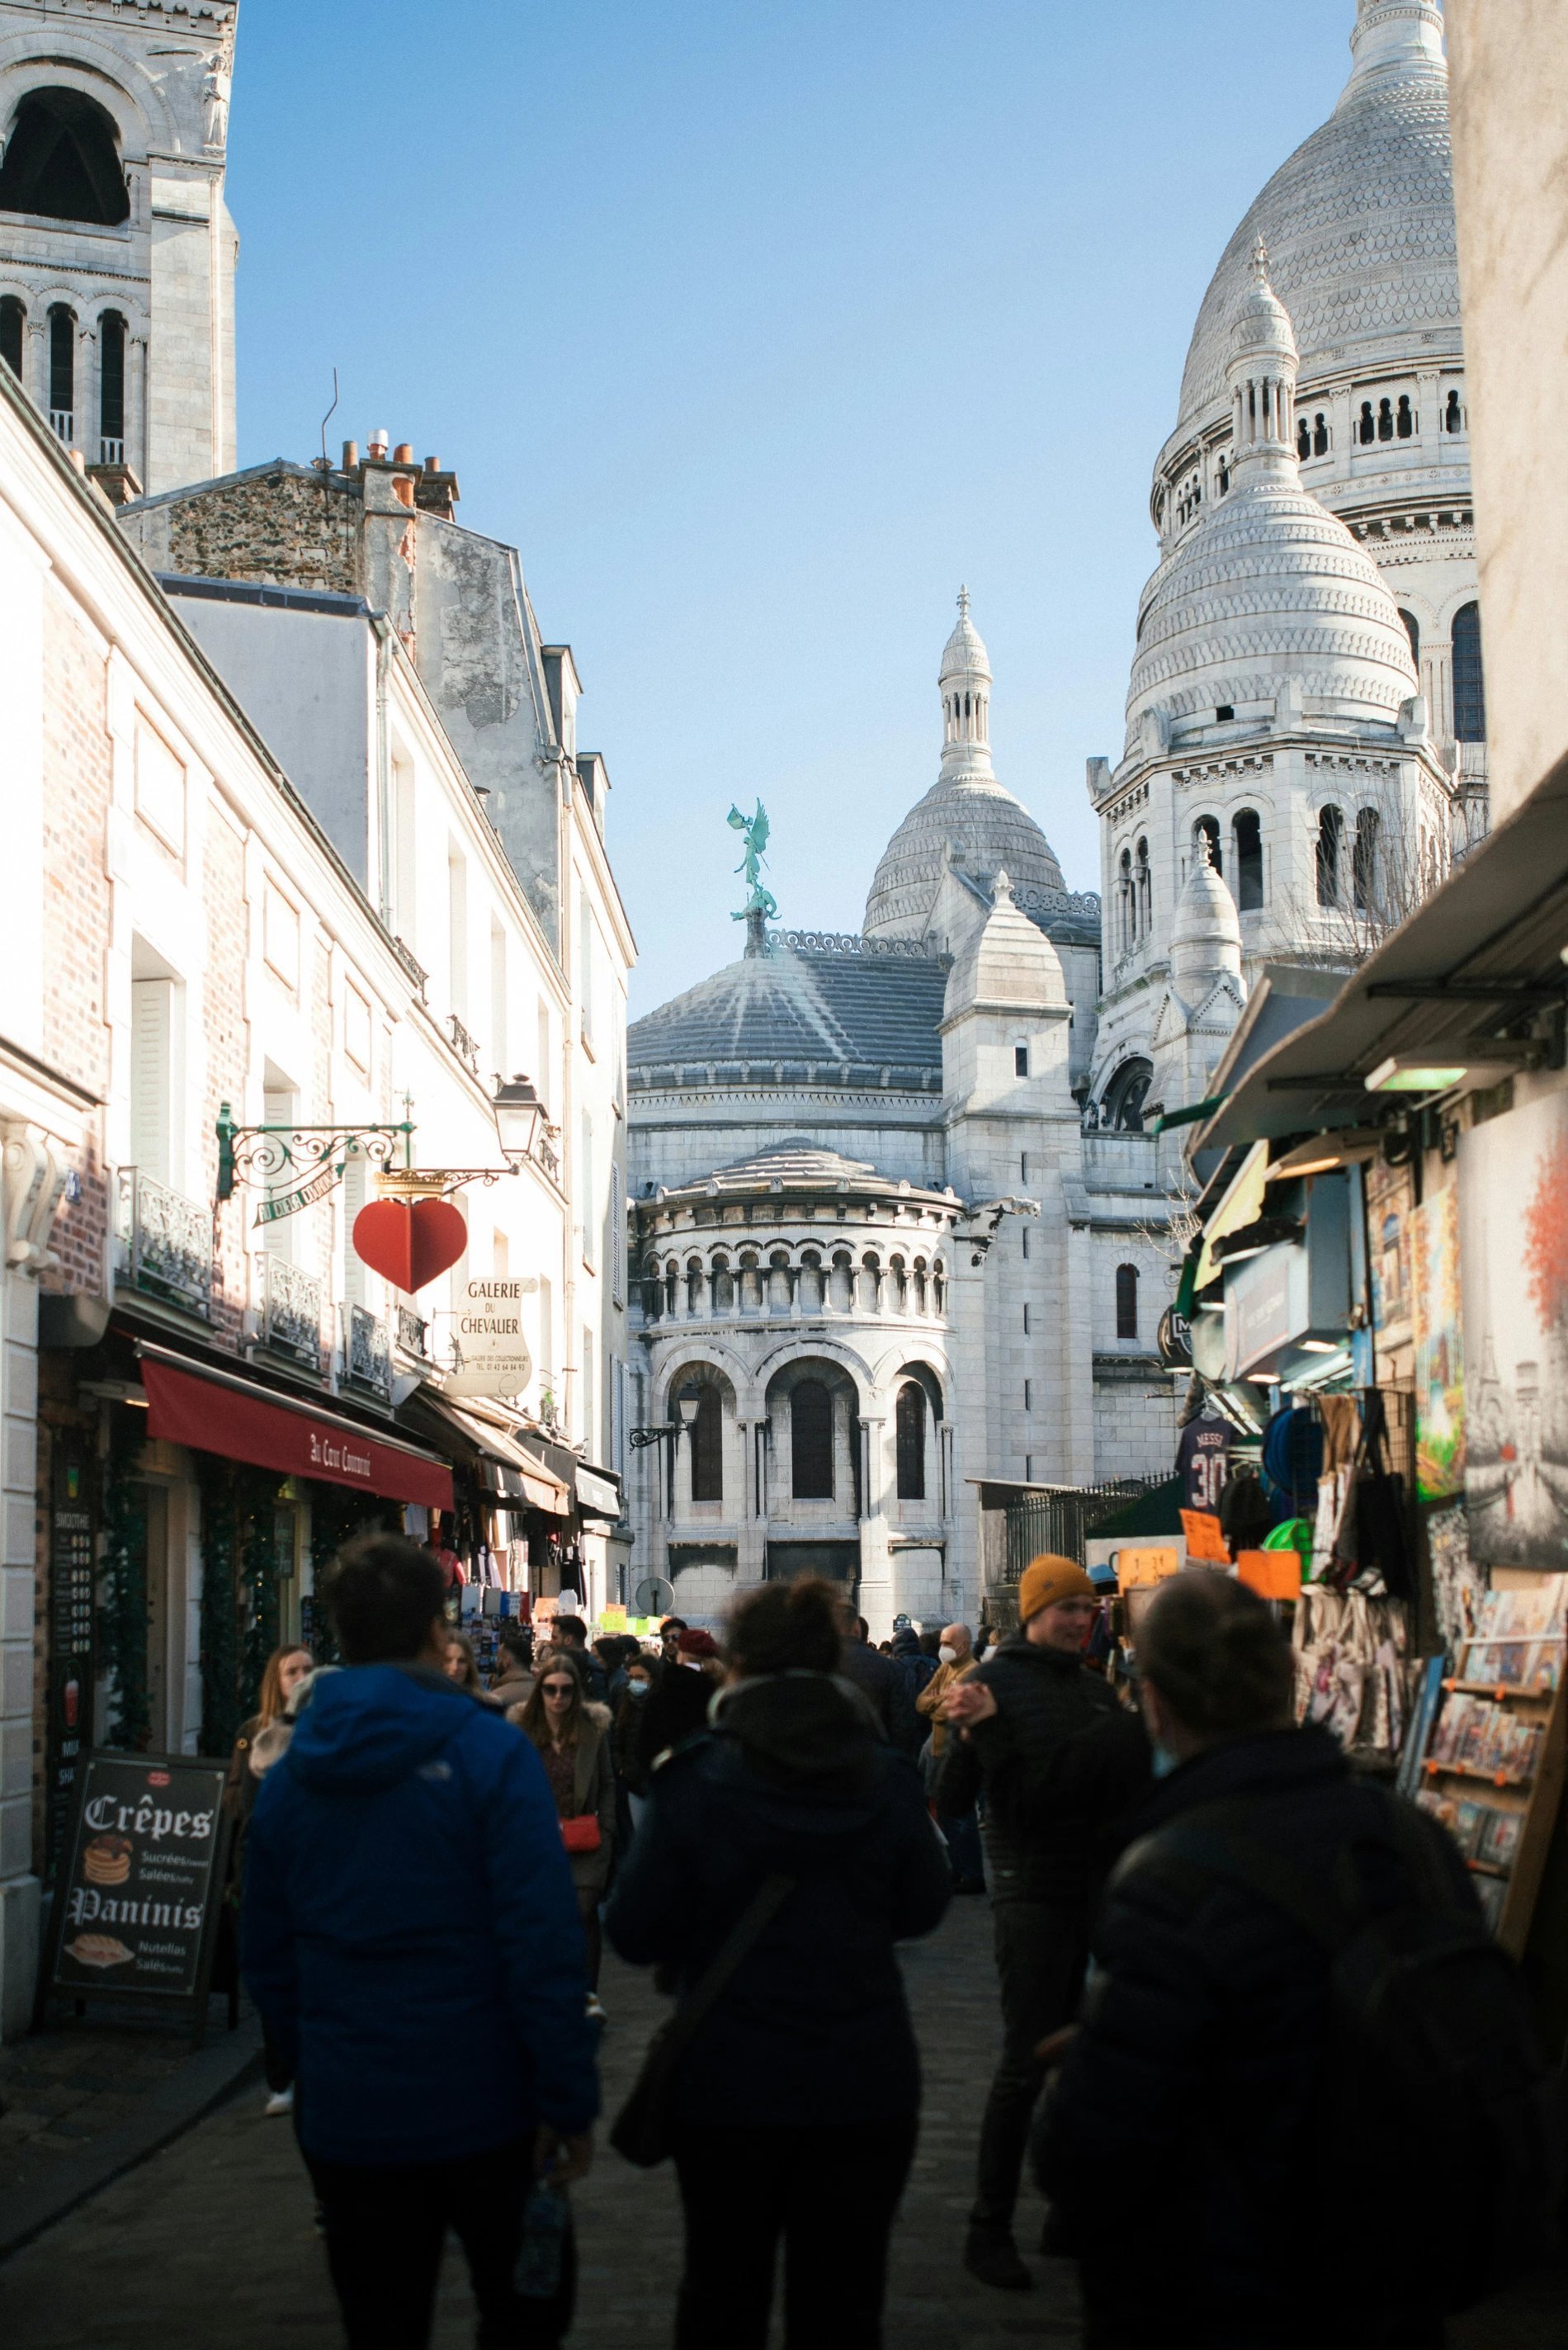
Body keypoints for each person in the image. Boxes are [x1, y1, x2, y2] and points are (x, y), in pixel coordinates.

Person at [1031, 1571, 1504, 2350]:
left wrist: (1071, 2079)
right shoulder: (1411, 1835)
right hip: (1393, 2277)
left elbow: (1090, 2152)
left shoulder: (1169, 1877)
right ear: (1289, 1680)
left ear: (1154, 1703)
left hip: (1225, 2292)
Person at [241, 1534, 597, 2350]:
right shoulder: (489, 1752)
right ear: (438, 1629)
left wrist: (313, 2058)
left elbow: (267, 1950)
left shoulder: (291, 1775)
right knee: (526, 2316)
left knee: (382, 2324)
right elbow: (541, 1942)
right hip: (489, 2105)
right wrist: (567, 2099)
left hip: (351, 2112)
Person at [606, 1577, 951, 2350]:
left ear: (737, 1663)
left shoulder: (697, 1775)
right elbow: (926, 1906)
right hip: (862, 2079)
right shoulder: (884, 1774)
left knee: (723, 2294)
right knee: (845, 2305)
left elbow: (632, 1928)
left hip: (728, 2084)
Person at [936, 1556, 1145, 2292]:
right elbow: (951, 1799)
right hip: (1032, 1891)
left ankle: (1068, 2207)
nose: (1080, 1618)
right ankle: (988, 2226)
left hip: (1101, 1891)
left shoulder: (1096, 1692)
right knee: (1027, 2061)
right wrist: (967, 1738)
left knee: (1091, 2056)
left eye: (1087, 1608)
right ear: (1033, 1612)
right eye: (1066, 1608)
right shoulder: (989, 1684)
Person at [514, 1657, 616, 2019]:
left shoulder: (593, 1731)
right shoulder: (523, 1733)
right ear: (539, 1691)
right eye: (550, 1689)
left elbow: (606, 1784)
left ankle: (587, 1994)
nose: (558, 1698)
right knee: (545, 1917)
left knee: (584, 1914)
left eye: (566, 1691)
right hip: (539, 1841)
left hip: (585, 1839)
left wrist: (605, 1832)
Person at [916, 1624, 984, 1894]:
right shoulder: (947, 1668)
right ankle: (958, 1870)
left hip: (959, 1753)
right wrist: (940, 1701)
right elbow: (921, 1702)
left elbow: (949, 1713)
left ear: (964, 1645)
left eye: (947, 1642)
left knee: (961, 1817)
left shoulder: (973, 1671)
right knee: (945, 1816)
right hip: (939, 1750)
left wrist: (938, 1703)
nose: (942, 1648)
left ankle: (971, 1873)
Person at [840, 1610, 918, 1749]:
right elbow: (902, 1724)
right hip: (876, 1754)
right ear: (856, 1629)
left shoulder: (816, 1665)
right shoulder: (888, 1667)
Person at [612, 1651, 663, 1832]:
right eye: (631, 1677)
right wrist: (621, 1766)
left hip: (656, 1781)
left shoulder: (660, 1706)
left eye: (640, 1677)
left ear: (653, 1679)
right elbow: (618, 1740)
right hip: (632, 1780)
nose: (635, 1682)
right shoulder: (626, 1703)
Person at [553, 1615, 608, 1703]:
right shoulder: (594, 1666)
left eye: (555, 1638)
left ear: (568, 1640)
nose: (551, 1642)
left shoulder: (592, 1670)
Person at [491, 1620, 536, 1708]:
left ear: (507, 1661)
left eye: (499, 1658)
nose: (496, 1664)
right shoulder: (543, 1693)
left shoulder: (497, 1697)